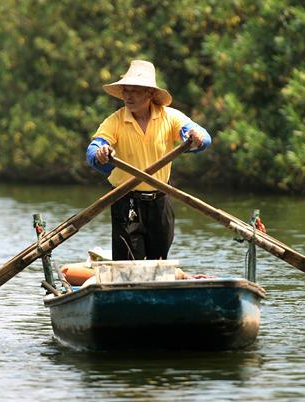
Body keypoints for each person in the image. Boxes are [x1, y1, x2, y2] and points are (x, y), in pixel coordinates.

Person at [86, 59, 211, 261]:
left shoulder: (170, 117)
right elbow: (94, 150)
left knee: (159, 260)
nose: (128, 96)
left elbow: (201, 136)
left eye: (134, 90)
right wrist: (101, 153)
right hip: (126, 200)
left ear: (150, 93)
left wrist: (196, 137)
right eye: (125, 90)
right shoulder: (115, 121)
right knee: (128, 262)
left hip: (161, 200)